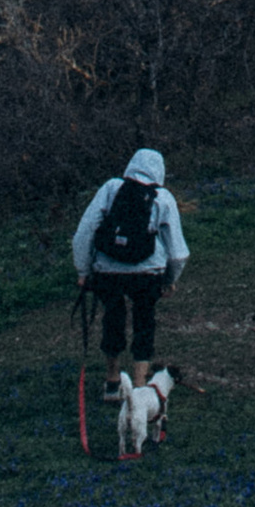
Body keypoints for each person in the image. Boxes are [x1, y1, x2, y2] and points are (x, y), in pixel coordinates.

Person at [71, 146, 188, 388]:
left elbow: (84, 232)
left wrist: (83, 271)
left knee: (112, 318)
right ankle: (139, 385)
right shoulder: (163, 198)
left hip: (107, 271)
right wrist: (169, 279)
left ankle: (112, 380)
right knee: (144, 322)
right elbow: (177, 252)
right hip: (148, 273)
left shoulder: (111, 188)